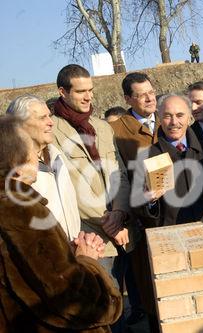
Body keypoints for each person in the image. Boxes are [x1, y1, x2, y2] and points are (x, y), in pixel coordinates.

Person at [0, 116, 122, 332]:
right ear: (17, 165)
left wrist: (68, 255)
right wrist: (88, 260)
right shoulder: (21, 212)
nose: (38, 157)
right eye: (33, 151)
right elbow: (76, 303)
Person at [51, 64, 133, 331]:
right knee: (103, 311)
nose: (89, 97)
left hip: (121, 230)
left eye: (91, 90)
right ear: (62, 92)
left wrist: (119, 214)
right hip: (89, 237)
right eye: (81, 91)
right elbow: (68, 187)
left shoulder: (102, 127)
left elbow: (119, 173)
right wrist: (107, 222)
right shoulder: (53, 131)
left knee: (125, 304)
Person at [109, 72, 160, 328]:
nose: (150, 98)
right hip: (142, 221)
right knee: (150, 289)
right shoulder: (116, 131)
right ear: (128, 98)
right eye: (141, 95)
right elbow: (116, 178)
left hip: (175, 214)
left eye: (151, 92)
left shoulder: (169, 119)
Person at [143, 93, 203, 232]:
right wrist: (150, 201)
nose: (174, 122)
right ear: (159, 117)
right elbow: (143, 212)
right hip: (174, 236)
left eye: (180, 115)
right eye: (167, 116)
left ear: (190, 116)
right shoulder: (149, 157)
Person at [6, 94, 80, 241]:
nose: (51, 122)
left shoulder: (57, 155)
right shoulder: (12, 170)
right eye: (42, 118)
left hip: (73, 250)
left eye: (49, 116)